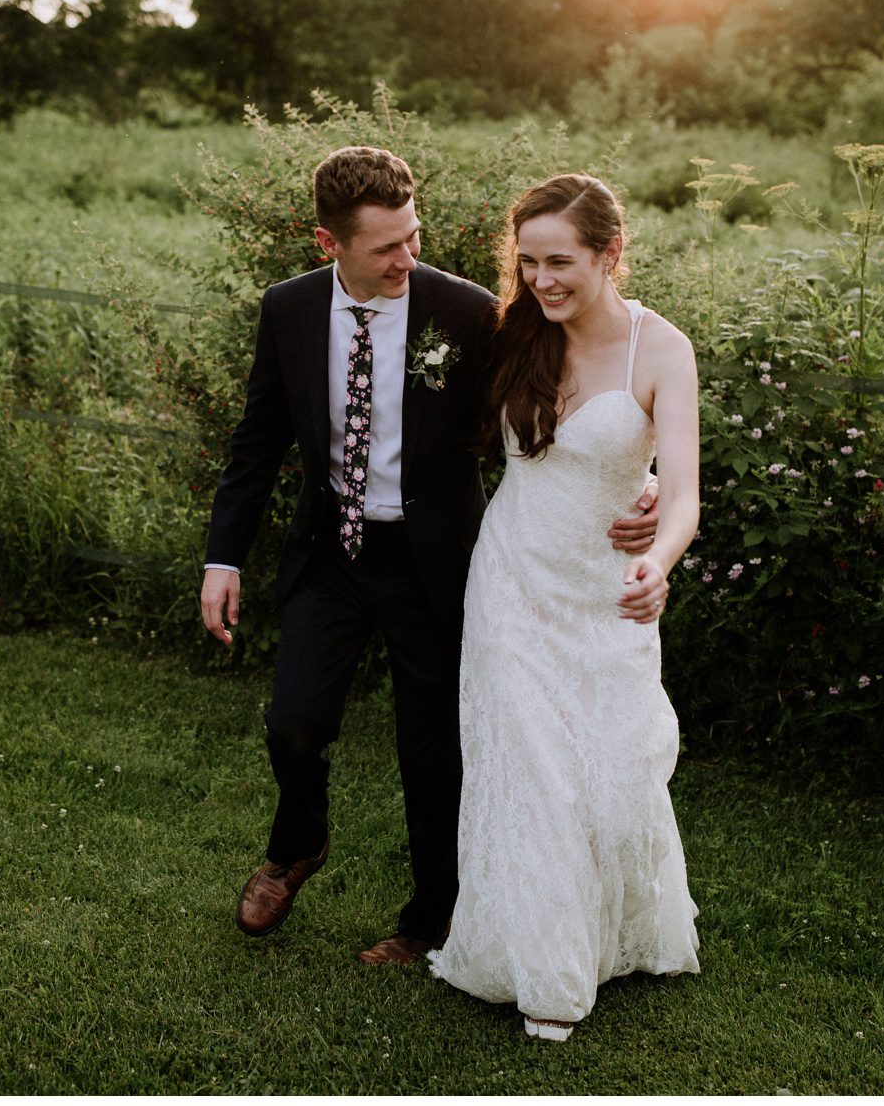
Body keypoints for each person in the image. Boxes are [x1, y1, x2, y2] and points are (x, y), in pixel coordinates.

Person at [199, 147, 660, 965]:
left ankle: (427, 921)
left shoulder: (467, 310)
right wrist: (222, 557)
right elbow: (258, 437)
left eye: (413, 237)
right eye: (386, 248)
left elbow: (554, 396)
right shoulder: (290, 310)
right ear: (326, 243)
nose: (408, 258)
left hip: (436, 564)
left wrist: (636, 476)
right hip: (330, 552)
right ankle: (297, 844)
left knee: (433, 748)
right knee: (294, 723)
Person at [428, 173, 701, 1040]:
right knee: (534, 773)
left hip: (608, 592)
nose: (543, 281)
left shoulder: (662, 350)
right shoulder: (513, 335)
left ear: (610, 254)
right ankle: (546, 976)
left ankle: (613, 935)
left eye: (561, 263)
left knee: (615, 777)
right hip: (512, 578)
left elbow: (688, 493)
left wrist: (657, 556)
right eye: (529, 262)